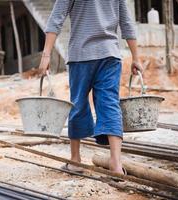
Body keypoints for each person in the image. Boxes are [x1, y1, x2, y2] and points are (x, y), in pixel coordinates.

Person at [39, 0, 143, 174]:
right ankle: (116, 165)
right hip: (110, 54)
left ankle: (75, 161)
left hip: (81, 55)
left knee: (78, 103)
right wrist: (136, 57)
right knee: (110, 103)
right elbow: (126, 23)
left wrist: (46, 54)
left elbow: (56, 18)